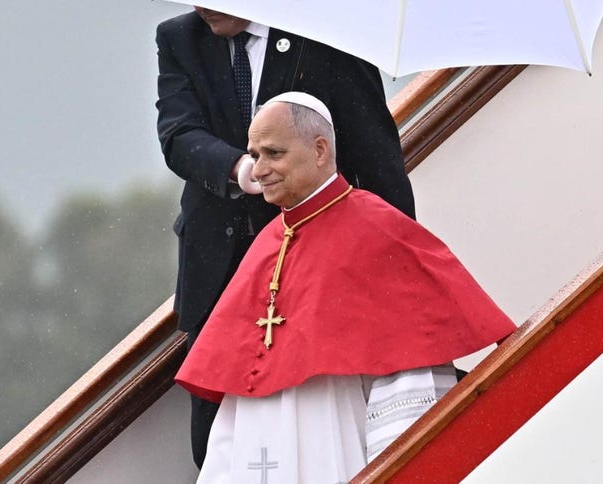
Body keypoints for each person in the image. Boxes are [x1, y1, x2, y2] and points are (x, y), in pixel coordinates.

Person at [175, 92, 516, 483]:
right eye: (254, 155)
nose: (259, 169)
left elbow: (407, 363)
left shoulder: (376, 229)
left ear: (320, 150)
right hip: (264, 446)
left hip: (339, 435)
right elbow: (238, 396)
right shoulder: (269, 242)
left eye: (273, 153)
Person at [155, 7, 415, 467]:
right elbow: (178, 133)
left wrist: (399, 263)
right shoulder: (180, 37)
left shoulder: (325, 26)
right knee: (216, 442)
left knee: (320, 427)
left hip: (317, 269)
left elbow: (375, 157)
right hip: (218, 270)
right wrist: (244, 170)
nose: (202, 8)